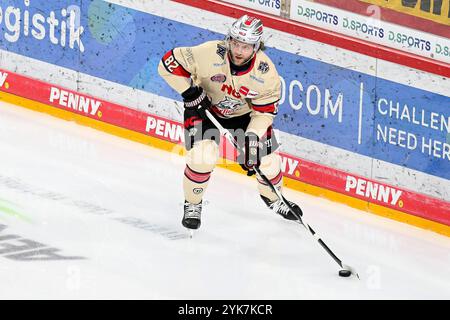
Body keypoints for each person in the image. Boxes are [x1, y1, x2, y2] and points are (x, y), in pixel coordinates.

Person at [158, 15, 302, 230]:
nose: (238, 50)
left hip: (244, 116)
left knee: (269, 162)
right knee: (202, 157)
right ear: (229, 39)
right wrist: (189, 92)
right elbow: (167, 65)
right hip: (204, 108)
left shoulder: (266, 72)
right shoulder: (209, 51)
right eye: (235, 42)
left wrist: (251, 140)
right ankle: (193, 204)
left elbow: (264, 112)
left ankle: (274, 199)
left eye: (245, 46)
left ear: (256, 46)